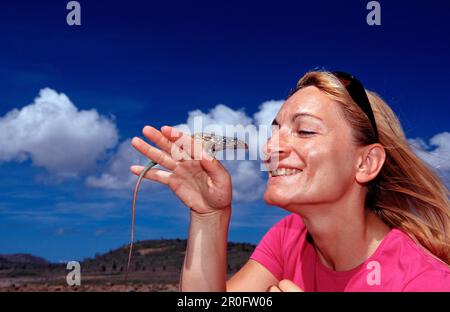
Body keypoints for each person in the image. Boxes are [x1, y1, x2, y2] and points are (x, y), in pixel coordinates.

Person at [130, 70, 450, 291]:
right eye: (275, 131)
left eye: (305, 131)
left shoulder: (425, 281)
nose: (271, 147)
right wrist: (209, 216)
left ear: (366, 163)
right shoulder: (290, 237)